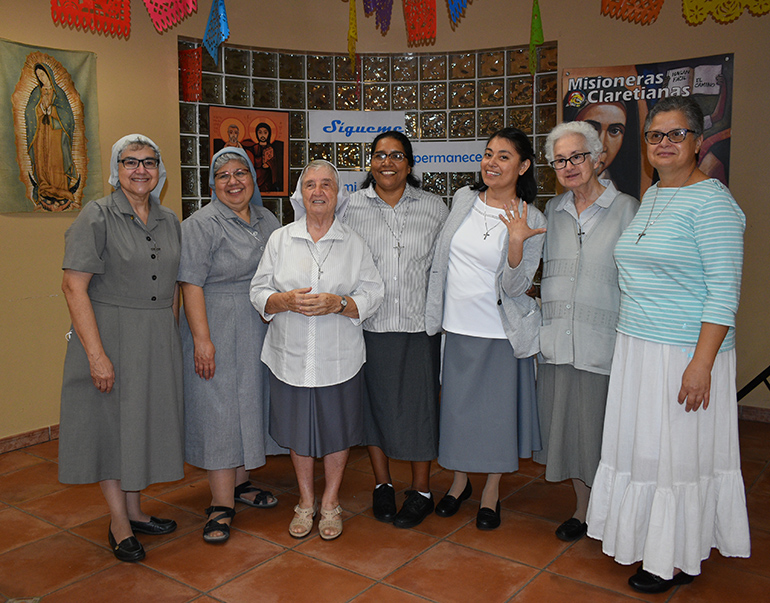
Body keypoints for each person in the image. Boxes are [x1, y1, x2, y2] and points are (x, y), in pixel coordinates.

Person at [586, 95, 750, 593]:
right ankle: (643, 538)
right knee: (645, 453)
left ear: (698, 142)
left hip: (684, 353)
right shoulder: (655, 195)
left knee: (675, 457)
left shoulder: (715, 203)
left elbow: (724, 293)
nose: (664, 144)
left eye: (676, 135)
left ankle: (673, 557)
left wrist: (701, 365)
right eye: (655, 135)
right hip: (638, 347)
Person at [59, 134, 183, 562]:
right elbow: (74, 287)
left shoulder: (169, 220)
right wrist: (96, 355)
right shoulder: (96, 216)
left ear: (159, 170)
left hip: (154, 338)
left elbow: (172, 287)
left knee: (141, 424)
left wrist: (171, 335)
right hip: (109, 334)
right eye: (130, 162)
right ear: (117, 169)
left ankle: (135, 510)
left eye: (149, 162)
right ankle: (118, 522)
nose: (140, 170)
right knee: (111, 428)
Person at [250, 160, 384, 540]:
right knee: (297, 429)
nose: (318, 191)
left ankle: (330, 502)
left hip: (338, 357)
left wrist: (340, 304)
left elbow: (374, 292)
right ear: (300, 193)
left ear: (338, 194)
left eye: (327, 184)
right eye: (310, 184)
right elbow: (257, 291)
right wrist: (283, 300)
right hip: (289, 355)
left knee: (337, 429)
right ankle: (305, 501)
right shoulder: (280, 239)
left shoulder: (353, 243)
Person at [425, 127, 546, 530]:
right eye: (488, 154)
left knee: (495, 417)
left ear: (523, 165)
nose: (491, 163)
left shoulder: (533, 218)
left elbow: (515, 287)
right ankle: (459, 482)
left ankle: (491, 491)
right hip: (456, 327)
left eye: (504, 156)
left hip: (499, 331)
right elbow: (442, 259)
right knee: (458, 413)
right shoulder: (463, 199)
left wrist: (515, 242)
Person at [533, 121, 638, 542]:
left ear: (598, 158)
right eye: (560, 160)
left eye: (577, 156)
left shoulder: (629, 209)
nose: (569, 166)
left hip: (605, 347)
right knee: (569, 433)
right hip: (559, 345)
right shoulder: (552, 214)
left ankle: (611, 511)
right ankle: (583, 508)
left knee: (602, 433)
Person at [343, 131, 448, 529]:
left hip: (419, 326)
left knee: (419, 408)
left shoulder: (434, 208)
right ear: (370, 162)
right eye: (380, 155)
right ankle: (382, 484)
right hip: (369, 324)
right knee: (375, 409)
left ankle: (421, 489)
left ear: (410, 164)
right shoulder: (351, 207)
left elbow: (446, 267)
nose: (388, 162)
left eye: (397, 156)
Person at [178, 147, 283, 544]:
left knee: (249, 403)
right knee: (219, 409)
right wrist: (202, 341)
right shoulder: (200, 225)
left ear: (253, 179)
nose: (233, 181)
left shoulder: (267, 220)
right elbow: (190, 284)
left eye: (241, 173)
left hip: (257, 325)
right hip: (216, 324)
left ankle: (240, 484)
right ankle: (220, 505)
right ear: (212, 184)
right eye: (223, 175)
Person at [25, 63, 79, 209]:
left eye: (43, 74)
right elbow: (29, 111)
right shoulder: (36, 92)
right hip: (41, 131)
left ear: (48, 74)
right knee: (42, 159)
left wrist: (53, 111)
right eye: (38, 75)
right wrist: (40, 109)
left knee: (57, 159)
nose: (41, 77)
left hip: (56, 133)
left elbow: (68, 116)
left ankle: (61, 190)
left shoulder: (59, 93)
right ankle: (44, 186)